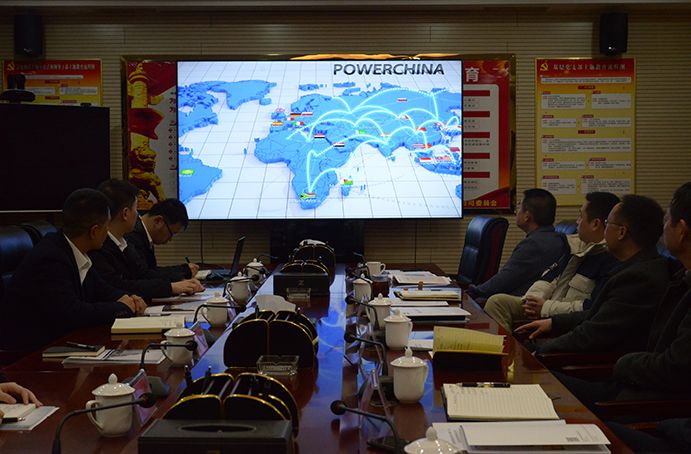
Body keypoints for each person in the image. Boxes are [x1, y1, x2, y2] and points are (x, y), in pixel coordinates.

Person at [546, 182, 691, 453]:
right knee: (541, 385)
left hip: (645, 402)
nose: (664, 228)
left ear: (682, 230)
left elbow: (674, 367)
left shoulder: (647, 277)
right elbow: (597, 316)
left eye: (668, 220)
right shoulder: (677, 276)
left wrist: (624, 364)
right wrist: (552, 324)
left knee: (544, 394)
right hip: (633, 386)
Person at [515, 194, 670, 354]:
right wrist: (554, 323)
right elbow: (597, 314)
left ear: (621, 232)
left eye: (607, 223)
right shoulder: (633, 266)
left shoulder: (639, 279)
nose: (604, 228)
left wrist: (538, 352)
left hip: (599, 363)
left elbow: (592, 334)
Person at [0, 189, 147, 350]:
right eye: (106, 227)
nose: (107, 232)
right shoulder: (51, 259)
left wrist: (126, 298)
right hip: (31, 353)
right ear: (94, 231)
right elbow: (73, 313)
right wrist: (122, 308)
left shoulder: (71, 249)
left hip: (60, 341)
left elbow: (100, 287)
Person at [484, 192, 620, 332]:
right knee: (497, 302)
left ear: (595, 224)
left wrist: (546, 308)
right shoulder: (575, 247)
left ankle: (509, 346)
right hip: (546, 304)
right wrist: (532, 300)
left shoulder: (609, 260)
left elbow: (590, 308)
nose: (577, 222)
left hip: (563, 318)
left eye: (580, 216)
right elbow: (549, 278)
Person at [90, 179, 204, 300]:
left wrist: (178, 281)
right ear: (125, 214)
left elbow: (143, 274)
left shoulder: (123, 243)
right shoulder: (99, 246)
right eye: (135, 209)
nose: (138, 215)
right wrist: (171, 287)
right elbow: (120, 285)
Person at [466, 188, 567, 300]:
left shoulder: (534, 244)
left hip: (520, 302)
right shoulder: (556, 238)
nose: (517, 211)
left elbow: (504, 280)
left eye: (519, 206)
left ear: (527, 216)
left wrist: (472, 292)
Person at [125, 198, 199, 282]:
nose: (170, 239)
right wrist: (183, 272)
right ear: (158, 221)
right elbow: (144, 276)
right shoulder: (132, 237)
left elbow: (151, 270)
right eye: (171, 233)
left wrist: (183, 270)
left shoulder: (144, 235)